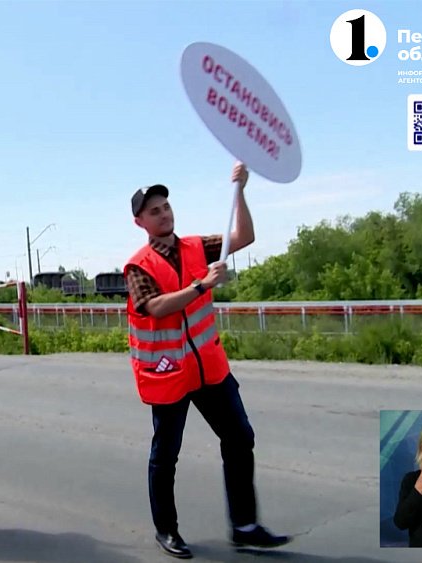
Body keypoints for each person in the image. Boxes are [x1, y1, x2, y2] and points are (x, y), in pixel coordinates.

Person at [123, 162, 289, 559]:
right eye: (154, 211)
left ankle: (245, 526)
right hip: (167, 372)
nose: (164, 214)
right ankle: (167, 530)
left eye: (166, 207)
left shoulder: (197, 246)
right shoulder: (138, 266)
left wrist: (241, 191)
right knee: (166, 455)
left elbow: (243, 235)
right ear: (140, 221)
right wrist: (201, 285)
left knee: (239, 438)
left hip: (209, 367)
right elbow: (154, 306)